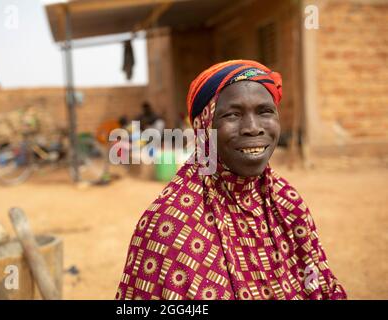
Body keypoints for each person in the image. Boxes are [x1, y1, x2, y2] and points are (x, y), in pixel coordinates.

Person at [115, 60, 347, 300]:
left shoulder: (288, 205)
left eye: (265, 111)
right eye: (233, 115)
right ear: (204, 127)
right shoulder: (167, 225)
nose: (252, 128)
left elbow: (321, 286)